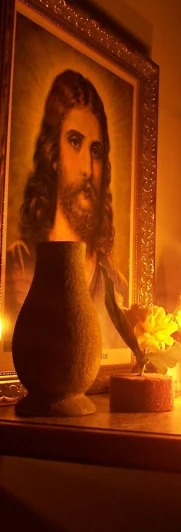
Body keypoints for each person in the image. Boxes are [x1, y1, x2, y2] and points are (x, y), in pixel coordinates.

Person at [4, 68, 127, 348]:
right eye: (75, 142)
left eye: (96, 151)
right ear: (53, 154)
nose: (87, 169)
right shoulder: (17, 266)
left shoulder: (116, 285)